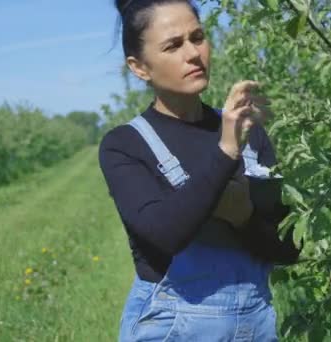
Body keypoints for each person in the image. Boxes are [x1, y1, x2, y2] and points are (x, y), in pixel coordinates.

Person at [98, 0, 297, 340]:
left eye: (198, 37)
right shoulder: (126, 145)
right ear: (139, 67)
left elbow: (290, 249)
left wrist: (244, 218)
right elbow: (167, 233)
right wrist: (226, 149)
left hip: (256, 327)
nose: (193, 53)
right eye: (173, 45)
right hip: (173, 328)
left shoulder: (249, 132)